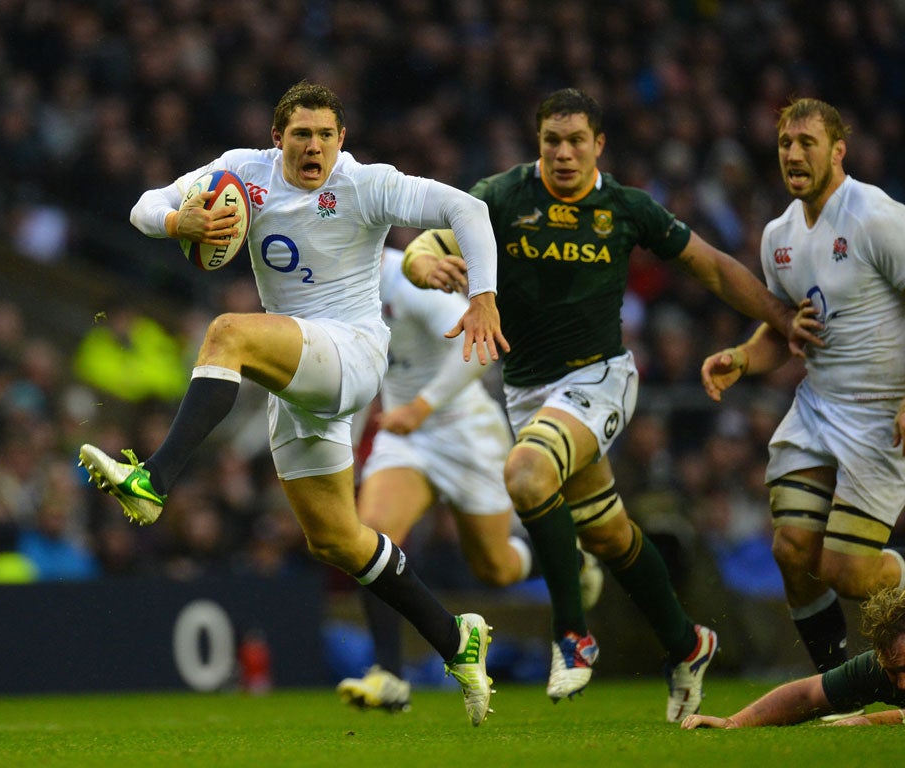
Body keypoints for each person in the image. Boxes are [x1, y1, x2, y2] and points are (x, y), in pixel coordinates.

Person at [77, 81, 507, 726]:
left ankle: (154, 479)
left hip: (355, 352)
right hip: (299, 370)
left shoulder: (367, 184)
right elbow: (145, 205)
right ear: (277, 138)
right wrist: (179, 221)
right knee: (337, 541)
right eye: (301, 134)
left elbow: (468, 210)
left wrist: (484, 294)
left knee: (227, 332)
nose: (314, 147)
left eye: (326, 135)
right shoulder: (243, 172)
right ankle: (456, 639)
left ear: (342, 140)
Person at [402, 87, 815, 722]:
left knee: (526, 473)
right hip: (528, 390)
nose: (563, 154)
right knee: (608, 531)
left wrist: (779, 317)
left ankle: (572, 634)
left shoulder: (624, 208)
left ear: (599, 144)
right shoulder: (501, 197)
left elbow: (711, 267)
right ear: (537, 143)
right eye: (551, 142)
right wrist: (427, 266)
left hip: (600, 378)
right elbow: (422, 247)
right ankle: (688, 642)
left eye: (576, 142)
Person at [335, 248, 604, 712]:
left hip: (463, 429)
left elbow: (481, 345)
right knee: (368, 540)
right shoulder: (337, 290)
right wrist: (349, 454)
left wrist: (422, 405)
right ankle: (389, 676)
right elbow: (356, 376)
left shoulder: (404, 278)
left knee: (495, 567)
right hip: (405, 436)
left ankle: (570, 560)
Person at [700, 98, 905, 696]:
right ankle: (835, 683)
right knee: (792, 549)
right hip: (818, 407)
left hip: (878, 414)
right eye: (786, 142)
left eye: (807, 142)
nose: (793, 153)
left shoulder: (875, 216)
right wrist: (742, 357)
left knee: (847, 570)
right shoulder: (778, 236)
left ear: (838, 151)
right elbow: (786, 329)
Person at [682, 587, 905, 728]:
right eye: (893, 672)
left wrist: (868, 721)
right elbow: (807, 695)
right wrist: (735, 722)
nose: (902, 683)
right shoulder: (879, 664)